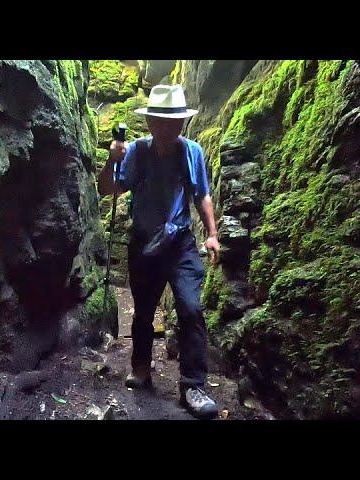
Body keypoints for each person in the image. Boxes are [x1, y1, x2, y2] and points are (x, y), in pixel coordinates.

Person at [97, 84, 221, 419]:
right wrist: (112, 159)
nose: (168, 127)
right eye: (161, 121)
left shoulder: (192, 151)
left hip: (179, 244)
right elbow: (108, 188)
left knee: (192, 309)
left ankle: (193, 385)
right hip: (142, 243)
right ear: (150, 122)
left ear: (182, 122)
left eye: (175, 121)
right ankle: (140, 366)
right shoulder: (136, 151)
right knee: (143, 310)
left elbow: (202, 196)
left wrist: (211, 234)